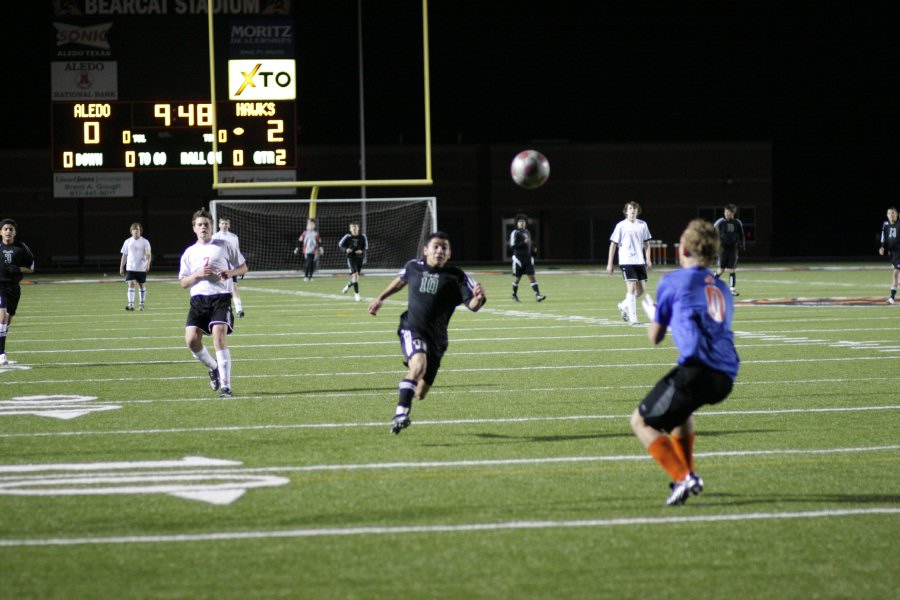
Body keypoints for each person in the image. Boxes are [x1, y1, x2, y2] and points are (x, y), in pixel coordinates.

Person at [630, 219, 740, 506]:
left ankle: (683, 477)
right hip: (725, 376)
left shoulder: (673, 281)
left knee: (640, 421)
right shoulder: (721, 287)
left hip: (698, 370)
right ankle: (688, 471)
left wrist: (655, 313)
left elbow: (655, 337)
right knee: (681, 414)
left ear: (687, 249)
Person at [368, 231, 487, 434]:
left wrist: (479, 298)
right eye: (436, 247)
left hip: (437, 340)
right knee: (418, 366)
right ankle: (400, 414)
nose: (440, 250)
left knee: (421, 393)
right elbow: (401, 279)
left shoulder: (456, 276)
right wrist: (381, 297)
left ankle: (407, 391)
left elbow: (473, 306)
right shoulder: (413, 266)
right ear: (426, 250)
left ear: (449, 253)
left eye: (444, 248)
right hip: (412, 328)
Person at [178, 208, 248, 398]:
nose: (203, 228)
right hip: (198, 300)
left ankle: (226, 387)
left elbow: (244, 266)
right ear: (194, 228)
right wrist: (197, 274)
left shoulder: (224, 245)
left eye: (206, 224)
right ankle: (213, 366)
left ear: (211, 227)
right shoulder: (189, 253)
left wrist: (230, 273)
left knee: (218, 335)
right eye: (200, 225)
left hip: (221, 297)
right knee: (192, 340)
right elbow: (183, 282)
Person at [607, 201, 652, 325]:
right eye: (630, 208)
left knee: (641, 290)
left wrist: (648, 259)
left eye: (634, 209)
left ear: (638, 211)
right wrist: (610, 263)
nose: (632, 210)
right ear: (626, 211)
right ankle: (633, 318)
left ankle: (623, 305)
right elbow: (613, 244)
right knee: (631, 288)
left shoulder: (643, 224)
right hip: (627, 261)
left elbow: (647, 243)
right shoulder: (621, 226)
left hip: (640, 261)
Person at [0, 218, 35, 367]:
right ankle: (1, 354)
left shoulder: (21, 247)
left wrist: (19, 269)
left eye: (11, 229)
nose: (8, 231)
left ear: (15, 232)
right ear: (0, 232)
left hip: (14, 287)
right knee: (2, 318)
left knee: (7, 321)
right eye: (5, 229)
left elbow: (31, 267)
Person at [508, 213, 546, 302]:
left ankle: (538, 295)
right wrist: (523, 243)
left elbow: (528, 244)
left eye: (523, 221)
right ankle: (514, 295)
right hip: (518, 259)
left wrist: (532, 248)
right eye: (520, 221)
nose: (522, 223)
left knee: (532, 277)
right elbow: (513, 246)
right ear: (517, 223)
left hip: (528, 259)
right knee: (517, 279)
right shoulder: (515, 233)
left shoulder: (527, 232)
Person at [212, 217, 245, 317]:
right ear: (219, 225)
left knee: (234, 287)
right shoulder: (214, 237)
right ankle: (215, 309)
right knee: (217, 289)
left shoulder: (234, 237)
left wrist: (240, 267)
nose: (224, 225)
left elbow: (237, 252)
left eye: (226, 223)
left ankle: (239, 310)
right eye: (222, 223)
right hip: (218, 268)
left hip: (230, 268)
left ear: (229, 225)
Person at [713, 204, 747, 296]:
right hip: (722, 249)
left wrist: (742, 244)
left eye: (728, 212)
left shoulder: (737, 223)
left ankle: (732, 289)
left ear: (733, 213)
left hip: (733, 249)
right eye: (725, 212)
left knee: (732, 269)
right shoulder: (721, 222)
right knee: (721, 269)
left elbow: (742, 234)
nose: (726, 214)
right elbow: (712, 232)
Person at [119, 222, 152, 311]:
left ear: (140, 230)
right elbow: (124, 255)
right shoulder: (127, 242)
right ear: (131, 231)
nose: (135, 231)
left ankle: (141, 304)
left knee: (141, 285)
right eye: (134, 229)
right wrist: (121, 267)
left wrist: (148, 264)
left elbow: (148, 254)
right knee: (131, 284)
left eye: (137, 229)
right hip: (130, 267)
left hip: (141, 268)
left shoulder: (145, 242)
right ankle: (131, 304)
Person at [338, 221, 368, 302]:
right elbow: (340, 244)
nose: (354, 229)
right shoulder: (347, 237)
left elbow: (366, 247)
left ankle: (348, 285)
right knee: (354, 275)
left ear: (358, 228)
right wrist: (346, 250)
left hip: (359, 258)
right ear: (350, 229)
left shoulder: (363, 237)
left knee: (356, 278)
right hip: (351, 258)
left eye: (356, 227)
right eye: (352, 227)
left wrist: (361, 251)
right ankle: (357, 295)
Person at [879, 206, 900, 304]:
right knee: (897, 276)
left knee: (895, 274)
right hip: (893, 254)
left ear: (897, 215)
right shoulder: (885, 225)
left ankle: (892, 297)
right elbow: (884, 237)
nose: (891, 215)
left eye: (893, 213)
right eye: (889, 213)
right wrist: (882, 247)